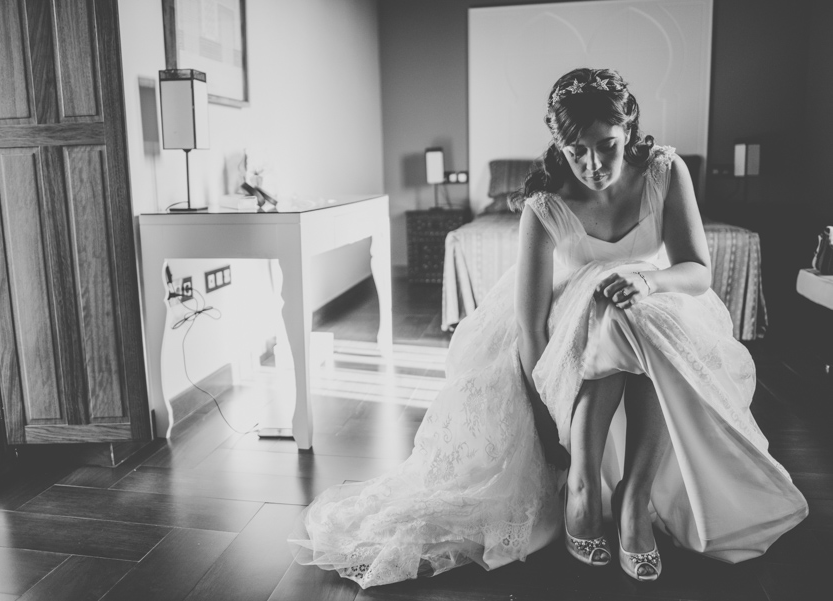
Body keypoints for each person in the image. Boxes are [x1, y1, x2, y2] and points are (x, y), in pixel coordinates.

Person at [289, 68, 808, 587]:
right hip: (570, 329)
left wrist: (647, 281)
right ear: (559, 146)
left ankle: (633, 495)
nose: (593, 164)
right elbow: (531, 326)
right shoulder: (545, 205)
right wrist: (545, 412)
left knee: (638, 314)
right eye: (576, 150)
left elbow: (697, 271)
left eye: (606, 146)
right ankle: (583, 484)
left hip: (654, 305)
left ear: (628, 129)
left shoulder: (665, 172)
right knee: (612, 308)